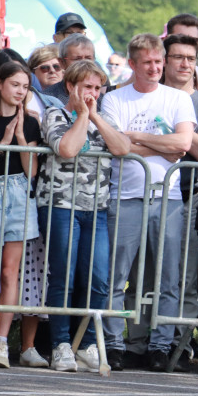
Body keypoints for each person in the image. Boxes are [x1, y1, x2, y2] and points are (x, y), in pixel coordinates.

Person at [99, 33, 196, 372]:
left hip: (167, 198)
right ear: (133, 65)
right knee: (116, 276)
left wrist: (136, 137)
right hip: (124, 197)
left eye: (159, 62)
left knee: (167, 278)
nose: (155, 68)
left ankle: (161, 344)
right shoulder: (114, 99)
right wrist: (161, 146)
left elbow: (183, 143)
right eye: (148, 63)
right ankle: (113, 343)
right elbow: (115, 146)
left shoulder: (178, 99)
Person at [36, 60, 130, 372]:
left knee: (99, 279)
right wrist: (82, 115)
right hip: (61, 206)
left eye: (96, 88)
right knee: (63, 276)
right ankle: (60, 344)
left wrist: (95, 117)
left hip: (97, 208)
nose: (92, 93)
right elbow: (67, 148)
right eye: (86, 87)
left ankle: (88, 344)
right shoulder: (55, 114)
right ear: (71, 87)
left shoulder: (100, 118)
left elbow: (121, 148)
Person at [161, 33, 198, 370]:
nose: (185, 64)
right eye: (178, 57)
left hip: (186, 198)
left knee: (183, 278)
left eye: (191, 59)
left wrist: (177, 133)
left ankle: (178, 344)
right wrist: (175, 140)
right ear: (165, 60)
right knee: (144, 273)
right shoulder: (147, 96)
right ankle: (139, 342)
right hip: (143, 194)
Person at [0, 62, 43, 368]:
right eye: (15, 85)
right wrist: (2, 144)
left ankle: (1, 344)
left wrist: (21, 138)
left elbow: (31, 171)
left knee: (11, 273)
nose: (21, 92)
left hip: (20, 196)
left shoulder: (32, 123)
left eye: (25, 87)